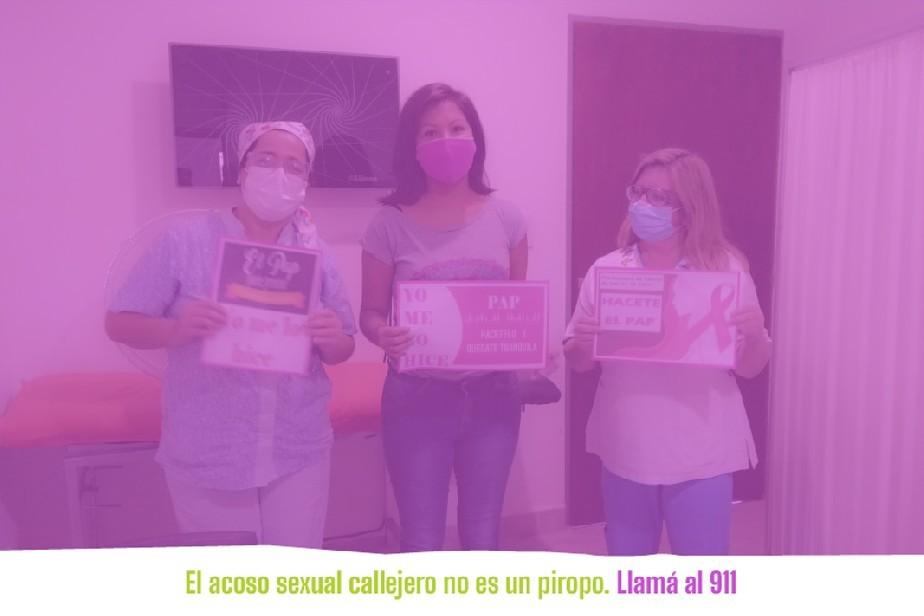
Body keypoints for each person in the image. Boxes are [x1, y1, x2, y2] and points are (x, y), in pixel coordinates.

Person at [105, 121, 356, 548]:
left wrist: (331, 337)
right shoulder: (185, 242)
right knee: (227, 577)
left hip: (296, 445)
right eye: (266, 160)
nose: (279, 173)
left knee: (293, 576)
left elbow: (343, 345)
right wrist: (176, 329)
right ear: (242, 169)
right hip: (210, 448)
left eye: (294, 166)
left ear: (306, 182)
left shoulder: (316, 253)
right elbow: (118, 323)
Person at [563, 147, 771, 555]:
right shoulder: (608, 270)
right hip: (627, 444)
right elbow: (579, 362)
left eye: (659, 197)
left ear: (690, 208)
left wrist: (755, 338)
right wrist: (582, 343)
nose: (644, 204)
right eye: (638, 193)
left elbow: (750, 368)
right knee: (630, 573)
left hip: (702, 451)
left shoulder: (726, 272)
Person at [360, 83, 529, 551]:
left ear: (475, 138)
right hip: (416, 398)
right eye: (430, 132)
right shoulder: (388, 223)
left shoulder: (508, 220)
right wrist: (382, 333)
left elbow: (515, 312)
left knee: (483, 535)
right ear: (412, 147)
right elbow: (370, 313)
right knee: (421, 540)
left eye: (457, 128)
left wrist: (531, 346)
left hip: (494, 397)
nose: (446, 140)